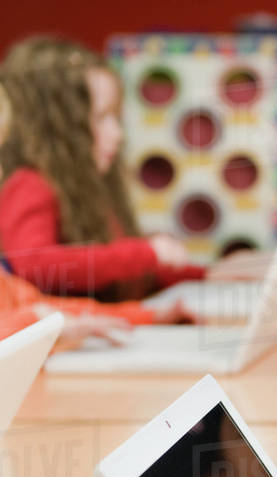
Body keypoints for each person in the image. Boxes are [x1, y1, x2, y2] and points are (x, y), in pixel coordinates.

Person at [0, 37, 204, 300]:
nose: (118, 134)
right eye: (101, 117)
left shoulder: (85, 188)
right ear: (60, 128)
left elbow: (121, 274)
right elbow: (34, 264)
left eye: (116, 118)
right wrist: (146, 254)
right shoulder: (29, 183)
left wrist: (206, 274)